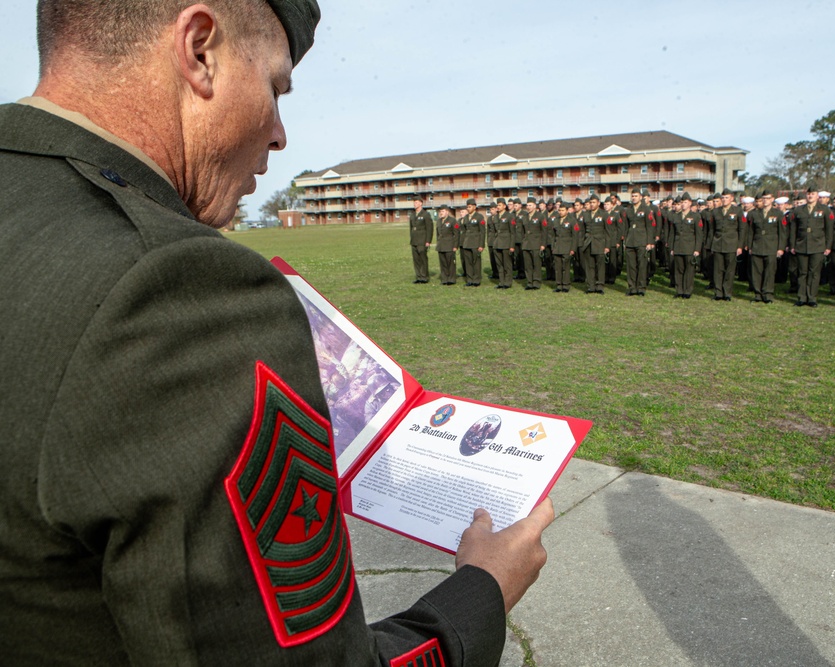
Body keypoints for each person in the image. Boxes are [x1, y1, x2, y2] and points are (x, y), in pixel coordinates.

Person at [0, 2, 553, 665]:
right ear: (200, 49)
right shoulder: (179, 290)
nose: (281, 134)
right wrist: (482, 591)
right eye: (275, 87)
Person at [787, 187, 833, 307]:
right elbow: (793, 230)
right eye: (808, 194)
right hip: (801, 245)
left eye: (813, 194)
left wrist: (828, 246)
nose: (810, 196)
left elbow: (829, 230)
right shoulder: (798, 210)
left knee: (814, 273)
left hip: (817, 246)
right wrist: (792, 245)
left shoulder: (824, 210)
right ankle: (801, 297)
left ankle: (812, 297)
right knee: (802, 272)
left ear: (817, 196)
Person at [745, 191, 786, 303]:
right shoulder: (754, 214)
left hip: (771, 246)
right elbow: (750, 231)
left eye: (767, 198)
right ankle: (758, 294)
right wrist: (749, 245)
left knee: (769, 271)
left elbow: (782, 232)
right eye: (763, 198)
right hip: (757, 245)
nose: (765, 200)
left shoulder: (778, 213)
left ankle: (767, 294)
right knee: (756, 272)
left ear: (772, 199)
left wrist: (780, 248)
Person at [707, 188, 746, 301]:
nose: (724, 200)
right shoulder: (715, 211)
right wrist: (711, 244)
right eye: (722, 198)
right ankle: (718, 293)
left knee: (729, 270)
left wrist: (739, 246)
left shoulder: (737, 211)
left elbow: (742, 229)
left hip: (731, 244)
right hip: (718, 244)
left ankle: (727, 293)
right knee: (718, 270)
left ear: (732, 198)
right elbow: (712, 230)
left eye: (726, 198)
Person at [667, 193, 704, 299]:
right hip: (678, 246)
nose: (683, 204)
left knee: (689, 270)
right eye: (682, 202)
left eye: (685, 202)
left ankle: (687, 291)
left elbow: (699, 234)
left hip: (690, 247)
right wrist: (672, 247)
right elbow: (672, 233)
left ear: (690, 203)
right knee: (678, 270)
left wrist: (697, 249)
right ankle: (679, 290)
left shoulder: (695, 216)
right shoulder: (676, 216)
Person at [622, 188, 656, 296]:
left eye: (636, 196)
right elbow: (626, 227)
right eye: (632, 196)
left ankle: (641, 288)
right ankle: (632, 287)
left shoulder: (646, 209)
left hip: (642, 241)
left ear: (641, 197)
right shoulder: (628, 210)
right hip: (630, 241)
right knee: (631, 266)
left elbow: (650, 227)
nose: (634, 198)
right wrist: (625, 242)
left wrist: (650, 242)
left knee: (642, 265)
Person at [550, 201, 576, 292]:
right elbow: (552, 235)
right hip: (557, 247)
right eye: (559, 210)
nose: (561, 212)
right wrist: (553, 246)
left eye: (563, 210)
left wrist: (573, 249)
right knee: (558, 268)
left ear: (567, 211)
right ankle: (559, 285)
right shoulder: (556, 220)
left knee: (566, 268)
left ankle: (566, 285)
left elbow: (575, 235)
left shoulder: (572, 220)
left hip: (567, 247)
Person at [409, 194, 434, 283]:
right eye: (414, 202)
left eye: (416, 202)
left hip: (422, 240)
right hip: (414, 241)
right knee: (416, 260)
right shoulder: (412, 215)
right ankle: (418, 277)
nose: (414, 204)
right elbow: (411, 228)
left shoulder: (425, 214)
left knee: (423, 259)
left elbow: (429, 228)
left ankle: (424, 277)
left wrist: (428, 241)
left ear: (421, 203)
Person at [462, 198, 487, 286]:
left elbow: (482, 232)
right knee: (468, 262)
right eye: (467, 207)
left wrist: (481, 245)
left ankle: (476, 280)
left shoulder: (479, 217)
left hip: (476, 243)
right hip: (467, 243)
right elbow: (464, 231)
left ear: (474, 207)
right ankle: (470, 280)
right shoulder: (465, 217)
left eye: (470, 207)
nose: (468, 208)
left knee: (476, 262)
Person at [436, 204, 461, 285]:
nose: (441, 213)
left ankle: (451, 279)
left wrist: (455, 246)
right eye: (440, 211)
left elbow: (456, 234)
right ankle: (444, 279)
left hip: (450, 245)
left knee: (450, 263)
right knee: (443, 263)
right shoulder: (439, 221)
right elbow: (438, 234)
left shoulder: (452, 220)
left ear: (447, 212)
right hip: (441, 245)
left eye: (443, 211)